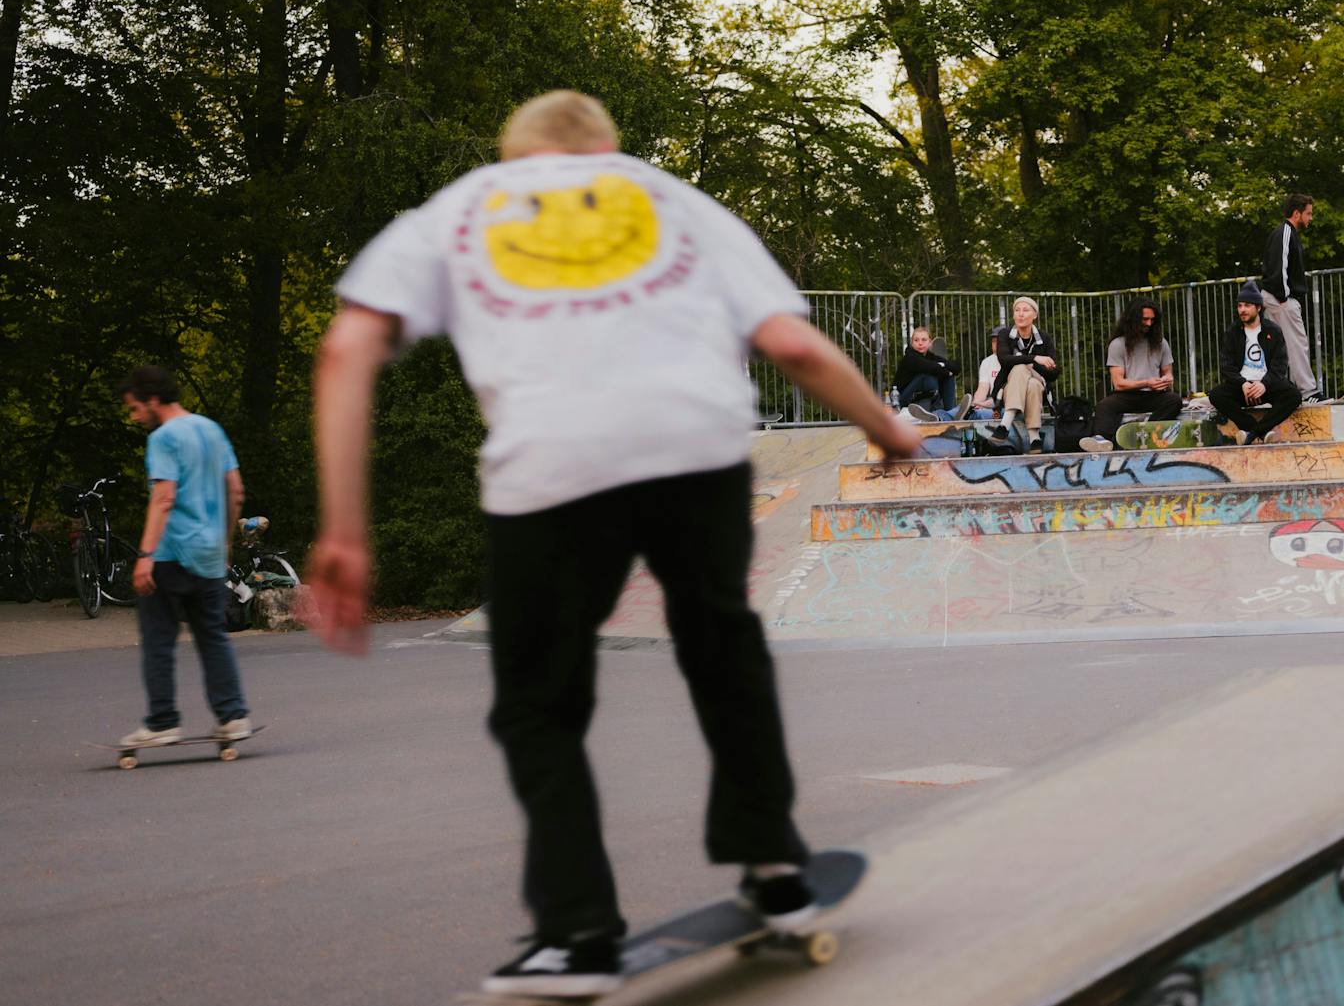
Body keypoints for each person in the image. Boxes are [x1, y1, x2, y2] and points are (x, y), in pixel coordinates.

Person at [304, 90, 922, 999]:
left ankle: (576, 931)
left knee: (540, 702)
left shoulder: (463, 207)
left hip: (549, 471)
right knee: (722, 648)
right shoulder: (670, 198)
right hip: (697, 453)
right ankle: (776, 869)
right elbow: (790, 342)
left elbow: (345, 349)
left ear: (518, 157)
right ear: (606, 148)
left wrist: (344, 531)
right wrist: (888, 428)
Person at [115, 365, 253, 747]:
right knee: (213, 637)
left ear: (153, 400)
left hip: (170, 554)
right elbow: (235, 491)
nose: (135, 416)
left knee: (159, 638)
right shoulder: (211, 429)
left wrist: (144, 556)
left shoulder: (164, 437)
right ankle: (233, 716)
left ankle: (162, 722)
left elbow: (163, 497)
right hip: (209, 555)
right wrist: (224, 544)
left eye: (135, 408)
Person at [1207, 282, 1303, 444]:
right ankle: (1258, 430)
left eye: (1247, 305)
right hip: (1242, 387)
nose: (1242, 310)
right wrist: (1242, 384)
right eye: (1239, 306)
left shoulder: (1273, 330)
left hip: (1267, 385)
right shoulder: (1233, 331)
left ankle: (1252, 433)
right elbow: (1226, 365)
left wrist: (1264, 384)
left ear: (1258, 308)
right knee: (1217, 395)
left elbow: (1280, 364)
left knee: (1293, 396)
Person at [1083, 301, 1183, 452]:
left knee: (1174, 400)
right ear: (1133, 319)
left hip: (1154, 394)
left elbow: (1168, 373)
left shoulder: (1161, 343)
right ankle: (1101, 440)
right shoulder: (1117, 344)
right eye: (1145, 319)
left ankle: (1148, 433)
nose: (1149, 323)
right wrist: (1147, 382)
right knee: (1104, 405)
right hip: (1127, 394)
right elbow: (1118, 383)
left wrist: (1166, 380)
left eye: (1152, 320)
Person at [1260, 193, 1321, 402]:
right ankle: (1308, 391)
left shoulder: (1285, 233)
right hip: (1281, 298)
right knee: (1297, 343)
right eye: (1308, 214)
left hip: (1275, 297)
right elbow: (1280, 264)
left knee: (1278, 348)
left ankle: (1275, 392)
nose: (1310, 218)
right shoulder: (1285, 232)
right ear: (1297, 213)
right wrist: (1283, 296)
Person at [991, 296, 1059, 453]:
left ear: (1035, 315)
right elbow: (1005, 360)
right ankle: (1035, 438)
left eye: (1025, 310)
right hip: (1009, 388)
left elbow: (1054, 373)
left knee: (1026, 371)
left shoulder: (1044, 338)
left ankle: (1004, 425)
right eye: (1017, 310)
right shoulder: (1005, 334)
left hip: (1039, 386)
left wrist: (1031, 364)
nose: (1020, 314)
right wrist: (1035, 358)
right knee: (1024, 374)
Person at [893, 326, 959, 420]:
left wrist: (945, 369)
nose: (920, 343)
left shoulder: (930, 357)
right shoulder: (909, 357)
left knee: (948, 378)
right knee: (927, 376)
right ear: (912, 343)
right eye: (916, 340)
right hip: (904, 399)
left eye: (924, 340)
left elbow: (956, 366)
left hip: (924, 393)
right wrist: (945, 370)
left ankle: (951, 413)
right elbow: (929, 367)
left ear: (929, 343)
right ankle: (931, 411)